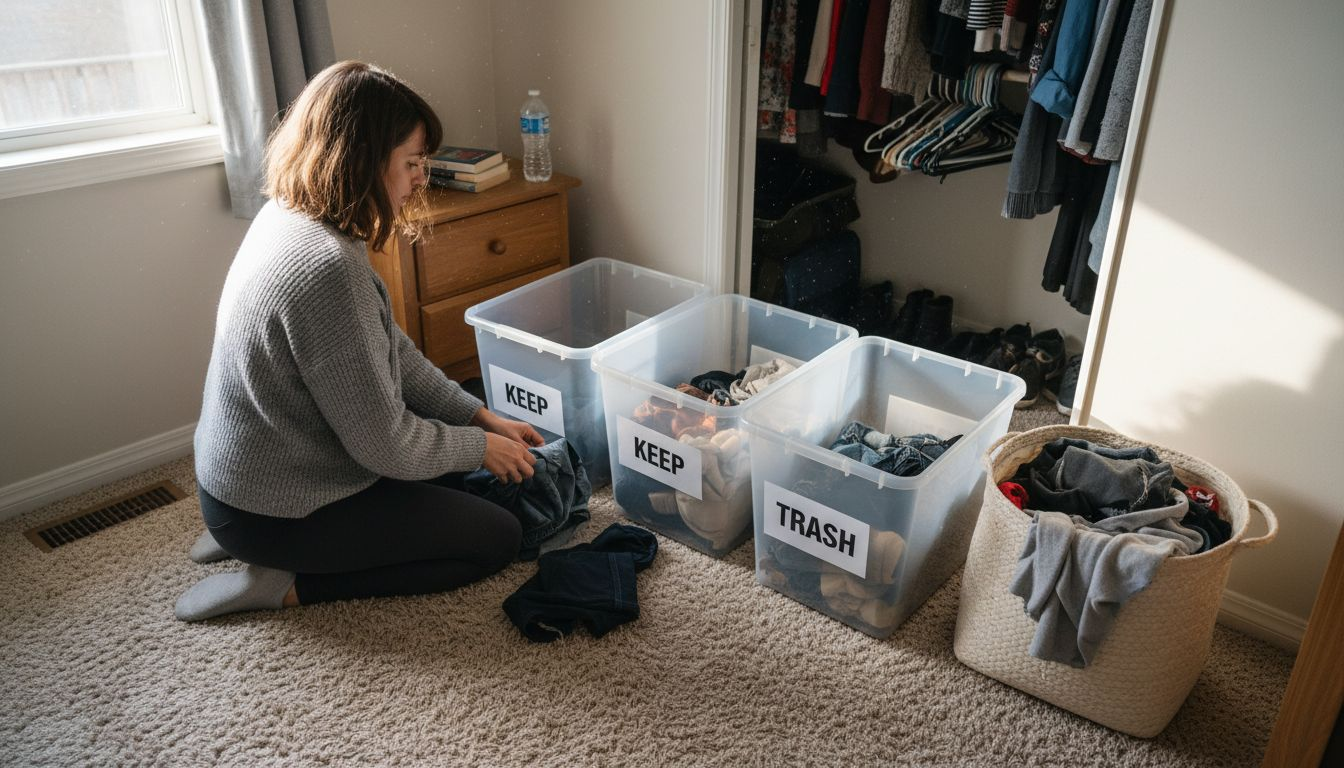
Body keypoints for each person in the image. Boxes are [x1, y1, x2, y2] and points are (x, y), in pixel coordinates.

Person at [176, 61, 542, 622]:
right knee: (496, 538)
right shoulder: (328, 269)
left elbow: (389, 349)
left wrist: (478, 417)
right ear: (364, 160)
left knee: (463, 460)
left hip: (240, 482)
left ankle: (247, 537)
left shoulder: (289, 216)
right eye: (412, 164)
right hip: (278, 508)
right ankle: (286, 584)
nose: (422, 179)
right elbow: (387, 448)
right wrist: (478, 448)